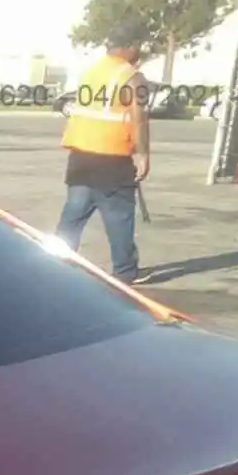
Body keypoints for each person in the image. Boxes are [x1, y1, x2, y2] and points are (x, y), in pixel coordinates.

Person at [56, 22, 153, 285]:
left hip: (80, 155)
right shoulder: (132, 77)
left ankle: (57, 262)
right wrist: (144, 155)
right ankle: (124, 272)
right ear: (130, 47)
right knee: (119, 216)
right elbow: (139, 118)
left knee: (73, 216)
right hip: (111, 158)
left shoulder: (91, 72)